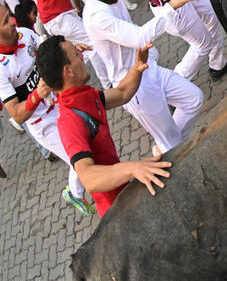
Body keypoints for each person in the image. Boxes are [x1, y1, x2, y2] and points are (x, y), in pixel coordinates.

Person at [79, 0, 204, 155]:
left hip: (148, 68)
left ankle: (165, 148)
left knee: (194, 99)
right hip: (134, 88)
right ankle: (169, 150)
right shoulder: (95, 16)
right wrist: (172, 6)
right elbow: (139, 37)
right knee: (174, 145)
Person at [36, 35, 172, 217]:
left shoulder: (84, 95)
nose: (82, 56)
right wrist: (133, 168)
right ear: (68, 71)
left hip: (125, 192)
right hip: (117, 213)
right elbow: (89, 178)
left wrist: (137, 68)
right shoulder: (69, 121)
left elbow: (122, 93)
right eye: (76, 54)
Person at [0, 3, 96, 214]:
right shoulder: (1, 68)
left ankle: (74, 192)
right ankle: (77, 193)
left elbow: (49, 58)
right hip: (42, 124)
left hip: (61, 103)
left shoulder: (26, 34)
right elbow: (16, 114)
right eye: (6, 22)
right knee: (80, 157)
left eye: (10, 16)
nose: (13, 23)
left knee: (86, 148)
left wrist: (69, 54)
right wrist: (37, 94)